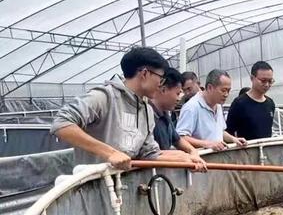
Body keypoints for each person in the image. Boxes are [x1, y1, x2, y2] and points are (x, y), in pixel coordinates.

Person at [51, 47, 202, 170]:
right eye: (160, 78)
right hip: (94, 193)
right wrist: (110, 153)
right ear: (144, 73)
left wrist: (184, 158)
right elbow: (61, 124)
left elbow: (149, 154)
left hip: (124, 191)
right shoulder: (105, 97)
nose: (161, 84)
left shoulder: (146, 110)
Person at [176, 69, 247, 151]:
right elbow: (181, 138)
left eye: (228, 90)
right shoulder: (191, 107)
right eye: (223, 90)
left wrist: (234, 139)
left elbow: (220, 131)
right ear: (210, 87)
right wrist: (208, 144)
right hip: (200, 161)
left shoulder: (218, 105)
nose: (226, 94)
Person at [150, 68, 207, 170]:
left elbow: (178, 140)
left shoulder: (165, 115)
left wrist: (193, 152)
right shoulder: (147, 116)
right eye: (177, 93)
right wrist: (181, 156)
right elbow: (147, 154)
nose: (179, 98)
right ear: (163, 90)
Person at [226, 61, 276, 140]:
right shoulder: (239, 103)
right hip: (246, 150)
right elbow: (229, 131)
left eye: (270, 81)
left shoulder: (270, 103)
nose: (267, 84)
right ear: (252, 78)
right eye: (263, 80)